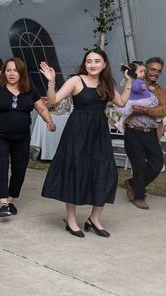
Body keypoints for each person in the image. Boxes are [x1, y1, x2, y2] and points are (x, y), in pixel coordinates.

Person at [40, 49, 131, 238]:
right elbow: (53, 101)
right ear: (85, 63)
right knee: (74, 170)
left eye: (97, 61)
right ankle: (71, 220)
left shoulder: (106, 83)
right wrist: (50, 82)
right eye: (89, 61)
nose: (93, 64)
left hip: (99, 134)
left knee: (104, 172)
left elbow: (121, 102)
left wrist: (129, 82)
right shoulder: (76, 80)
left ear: (104, 64)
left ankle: (94, 219)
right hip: (77, 132)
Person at [0, 58, 56, 217]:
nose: (12, 73)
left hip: (22, 136)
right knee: (1, 167)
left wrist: (49, 121)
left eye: (15, 70)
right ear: (4, 72)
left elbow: (41, 107)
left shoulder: (29, 90)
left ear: (21, 73)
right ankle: (4, 203)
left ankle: (11, 199)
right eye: (8, 70)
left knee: (19, 169)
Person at [122, 57, 166, 209]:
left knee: (157, 164)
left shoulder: (160, 90)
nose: (155, 73)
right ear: (146, 68)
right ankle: (139, 195)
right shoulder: (134, 84)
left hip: (151, 133)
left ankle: (133, 183)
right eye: (152, 69)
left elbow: (163, 109)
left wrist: (146, 110)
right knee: (139, 163)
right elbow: (123, 101)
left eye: (158, 71)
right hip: (133, 131)